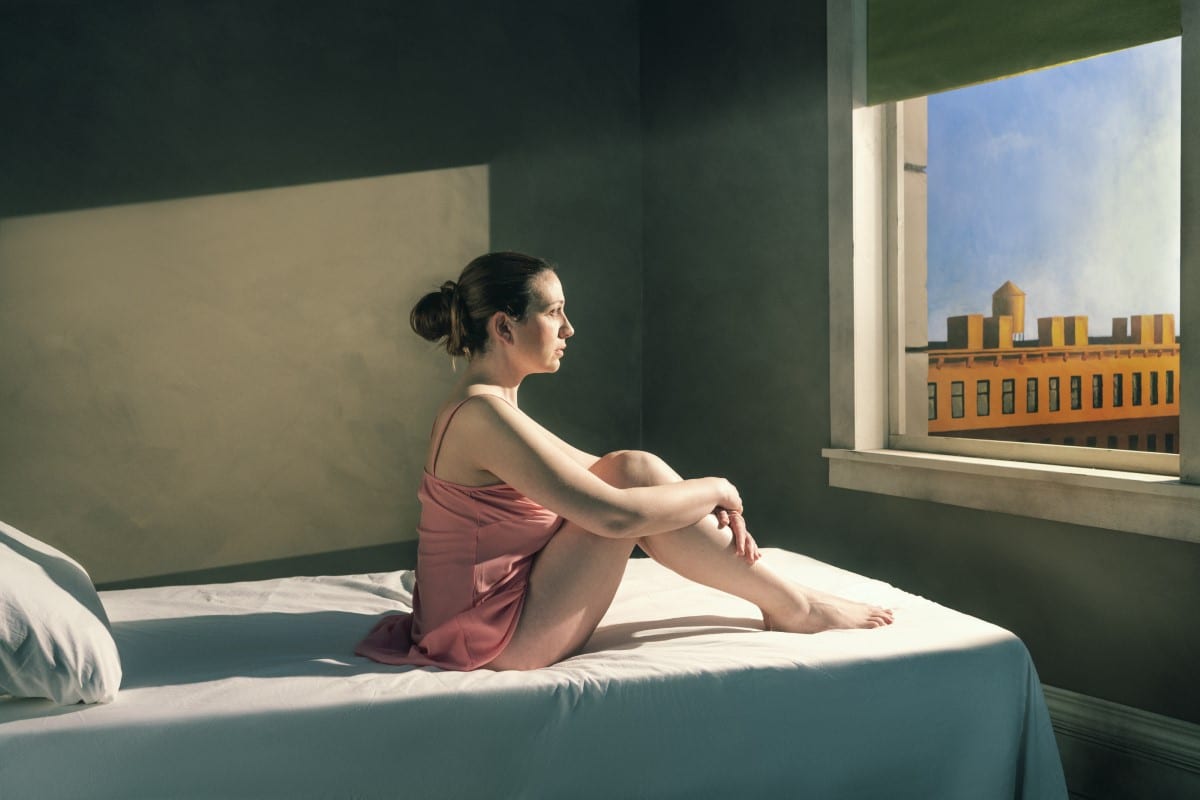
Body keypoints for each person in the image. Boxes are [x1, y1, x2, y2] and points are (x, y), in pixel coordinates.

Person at [356, 252, 893, 671]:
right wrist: (718, 488)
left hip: (478, 622)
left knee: (632, 468)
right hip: (490, 641)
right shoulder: (482, 416)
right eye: (553, 312)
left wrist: (693, 495)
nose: (569, 329)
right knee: (629, 491)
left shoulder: (487, 404)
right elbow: (615, 517)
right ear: (504, 327)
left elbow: (606, 471)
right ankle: (795, 607)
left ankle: (790, 601)